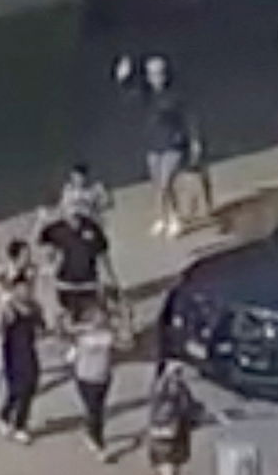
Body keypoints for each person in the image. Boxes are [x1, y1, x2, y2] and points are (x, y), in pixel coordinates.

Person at [114, 54, 208, 238]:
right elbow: (129, 97)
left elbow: (189, 117)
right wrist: (123, 79)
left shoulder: (175, 94)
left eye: (160, 73)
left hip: (174, 143)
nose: (157, 77)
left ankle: (175, 219)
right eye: (152, 74)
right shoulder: (146, 94)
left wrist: (195, 140)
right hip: (154, 143)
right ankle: (163, 217)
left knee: (165, 183)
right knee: (158, 185)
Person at [37, 199, 117, 326]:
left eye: (76, 205)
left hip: (89, 285)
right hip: (66, 287)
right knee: (70, 322)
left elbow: (103, 257)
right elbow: (40, 243)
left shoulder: (92, 227)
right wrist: (41, 221)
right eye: (69, 206)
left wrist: (113, 280)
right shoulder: (55, 229)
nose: (73, 210)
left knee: (99, 319)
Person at [145, 362, 203, 475]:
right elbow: (159, 405)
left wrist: (197, 414)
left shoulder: (182, 389)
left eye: (180, 372)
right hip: (163, 437)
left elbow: (191, 408)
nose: (178, 375)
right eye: (175, 371)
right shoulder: (160, 389)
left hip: (179, 436)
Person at [0, 279, 45, 444]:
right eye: (21, 289)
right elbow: (0, 330)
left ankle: (20, 423)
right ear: (15, 290)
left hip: (29, 351)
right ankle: (6, 416)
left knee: (30, 386)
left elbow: (41, 327)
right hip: (13, 353)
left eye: (27, 289)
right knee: (17, 389)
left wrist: (40, 323)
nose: (25, 292)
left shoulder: (35, 307)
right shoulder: (9, 309)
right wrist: (3, 316)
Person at [69, 302, 116, 460]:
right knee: (95, 410)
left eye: (102, 316)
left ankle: (90, 431)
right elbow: (68, 333)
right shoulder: (82, 336)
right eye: (96, 316)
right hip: (85, 378)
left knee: (98, 410)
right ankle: (99, 443)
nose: (100, 319)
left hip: (103, 377)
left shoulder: (108, 335)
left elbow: (125, 342)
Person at [0, 238, 36, 311]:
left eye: (29, 255)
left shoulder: (30, 270)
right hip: (7, 307)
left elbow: (29, 294)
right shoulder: (4, 270)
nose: (29, 258)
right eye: (25, 255)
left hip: (23, 305)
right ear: (15, 257)